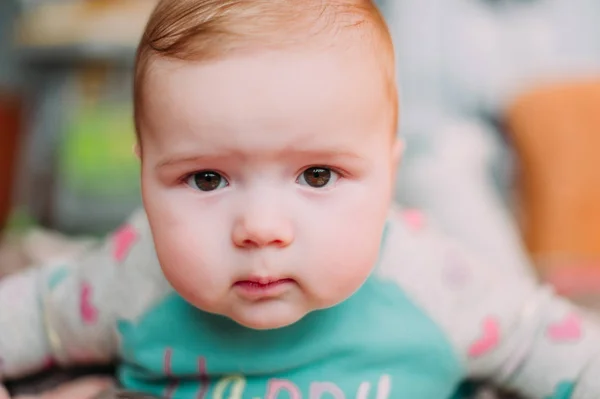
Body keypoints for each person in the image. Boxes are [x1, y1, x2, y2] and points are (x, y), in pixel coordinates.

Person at [1, 1, 599, 398]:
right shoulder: (131, 275)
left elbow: (556, 346)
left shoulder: (435, 279)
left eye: (317, 175)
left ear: (390, 177)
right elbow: (28, 316)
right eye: (206, 179)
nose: (261, 229)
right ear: (146, 178)